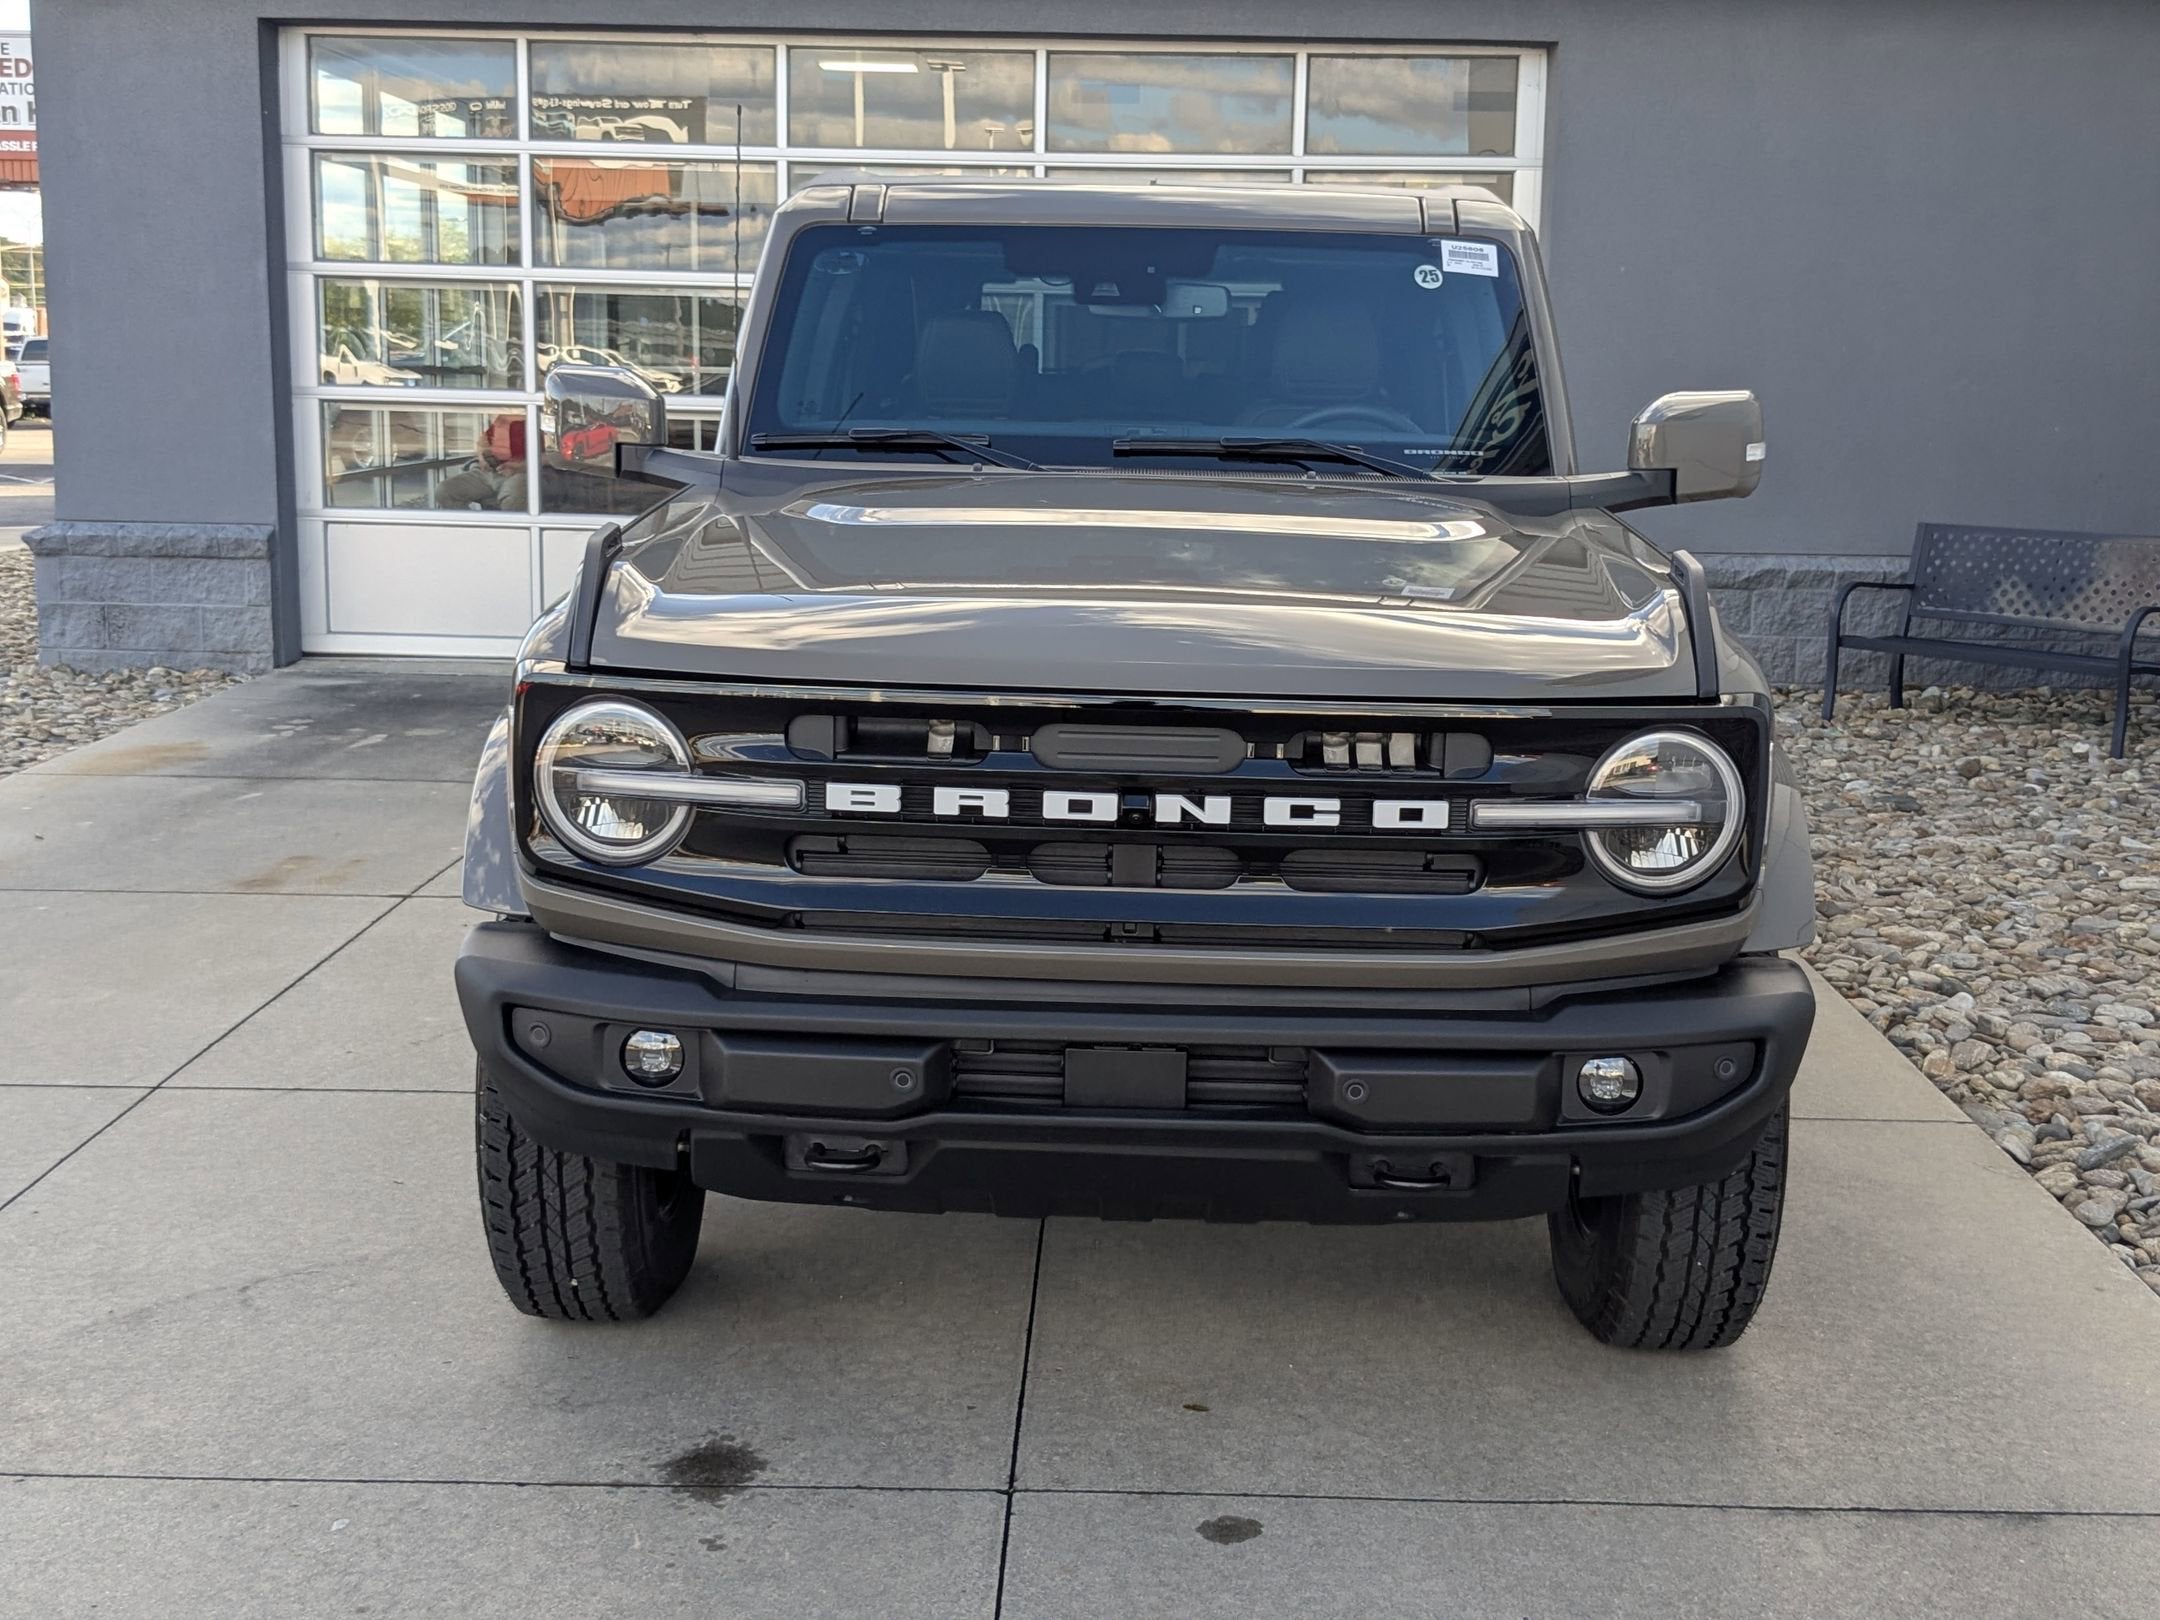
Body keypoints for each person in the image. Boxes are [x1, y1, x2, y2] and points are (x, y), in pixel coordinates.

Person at [431, 413, 528, 510]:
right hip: (489, 471)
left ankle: (507, 520)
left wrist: (520, 467)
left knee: (514, 495)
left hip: (522, 473)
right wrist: (482, 458)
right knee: (444, 491)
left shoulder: (532, 415)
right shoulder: (502, 418)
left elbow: (538, 457)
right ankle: (469, 520)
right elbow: (482, 444)